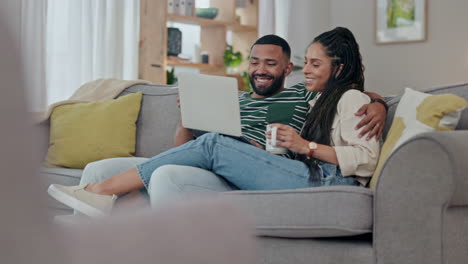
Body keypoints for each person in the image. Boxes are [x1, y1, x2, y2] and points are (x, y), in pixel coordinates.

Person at [48, 27, 381, 217]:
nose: (306, 70)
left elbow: (363, 152)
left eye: (314, 64)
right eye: (305, 63)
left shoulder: (314, 96)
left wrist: (375, 104)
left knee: (211, 144)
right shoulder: (315, 97)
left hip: (318, 178)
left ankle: (102, 192)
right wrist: (189, 116)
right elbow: (185, 148)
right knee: (106, 166)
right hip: (249, 162)